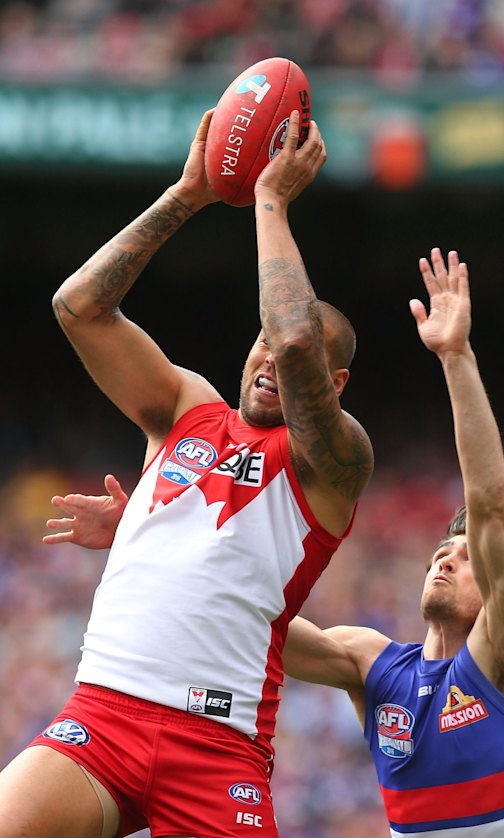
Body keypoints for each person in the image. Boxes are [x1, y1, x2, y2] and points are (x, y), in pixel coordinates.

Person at [52, 249, 504, 837]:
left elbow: (493, 505)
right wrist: (152, 534)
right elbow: (241, 618)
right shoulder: (372, 665)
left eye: (470, 557)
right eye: (445, 549)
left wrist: (455, 356)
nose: (448, 557)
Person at [0, 108, 374, 838]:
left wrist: (268, 199)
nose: (271, 354)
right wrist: (190, 194)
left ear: (337, 385)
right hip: (103, 717)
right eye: (258, 340)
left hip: (217, 746)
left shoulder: (337, 460)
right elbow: (79, 307)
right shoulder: (184, 408)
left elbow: (299, 339)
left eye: (290, 351)